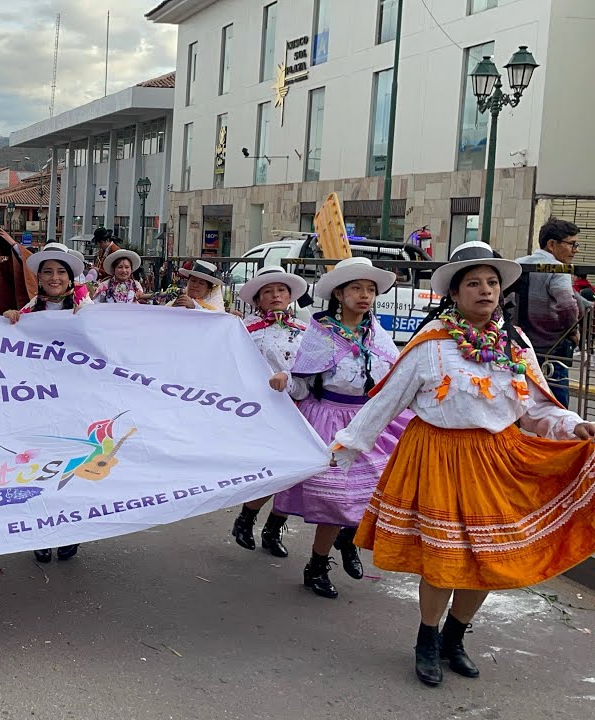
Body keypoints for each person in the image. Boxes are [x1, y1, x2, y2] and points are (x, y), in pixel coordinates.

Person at [334, 241, 595, 687]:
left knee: (489, 558)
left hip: (498, 460)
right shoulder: (430, 344)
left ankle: (455, 637)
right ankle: (427, 640)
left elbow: (534, 407)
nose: (485, 290)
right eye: (473, 283)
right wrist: (346, 448)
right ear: (453, 294)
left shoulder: (515, 343)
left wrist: (573, 426)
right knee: (444, 561)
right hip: (438, 457)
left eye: (492, 283)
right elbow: (387, 401)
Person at [272, 257, 412, 600]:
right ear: (339, 293)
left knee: (374, 491)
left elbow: (392, 378)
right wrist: (286, 381)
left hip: (368, 420)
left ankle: (349, 541)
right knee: (332, 498)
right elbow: (305, 382)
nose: (364, 295)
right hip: (330, 421)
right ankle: (317, 565)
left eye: (370, 289)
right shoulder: (321, 333)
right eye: (356, 288)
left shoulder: (376, 333)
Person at [4, 243, 91, 563]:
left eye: (60, 272)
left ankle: (71, 531)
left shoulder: (86, 306)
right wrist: (10, 319)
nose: (54, 278)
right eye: (48, 272)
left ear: (71, 278)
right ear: (38, 278)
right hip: (39, 404)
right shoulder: (30, 311)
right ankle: (40, 532)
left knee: (73, 469)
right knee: (39, 469)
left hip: (77, 402)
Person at [229, 266, 309, 557]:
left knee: (295, 473)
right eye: (268, 292)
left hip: (299, 407)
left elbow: (310, 369)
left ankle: (273, 528)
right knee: (270, 472)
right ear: (258, 299)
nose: (276, 296)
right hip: (261, 410)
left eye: (281, 291)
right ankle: (246, 518)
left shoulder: (304, 329)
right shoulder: (245, 330)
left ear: (289, 296)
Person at [514, 217, 585, 406]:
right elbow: (567, 306)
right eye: (572, 244)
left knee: (519, 403)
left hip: (518, 348)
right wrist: (572, 332)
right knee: (557, 406)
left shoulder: (518, 265)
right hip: (552, 351)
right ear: (552, 244)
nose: (575, 250)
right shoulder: (558, 269)